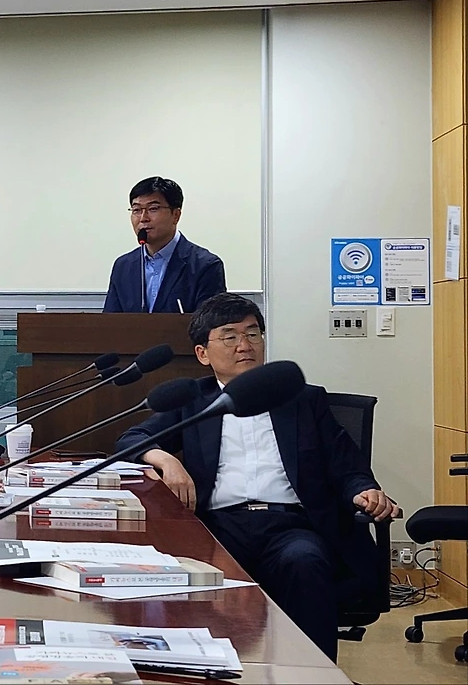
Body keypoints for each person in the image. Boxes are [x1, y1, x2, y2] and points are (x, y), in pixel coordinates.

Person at [115, 293, 396, 661]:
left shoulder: (303, 400)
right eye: (229, 336)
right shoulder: (194, 401)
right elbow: (130, 440)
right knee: (190, 572)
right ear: (203, 353)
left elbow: (346, 466)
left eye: (252, 334)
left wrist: (365, 490)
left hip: (289, 525)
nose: (244, 345)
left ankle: (312, 672)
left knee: (306, 561)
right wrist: (166, 459)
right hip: (218, 527)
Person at [102, 177, 226, 313]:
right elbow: (110, 321)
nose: (143, 218)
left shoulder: (205, 265)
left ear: (176, 215)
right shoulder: (123, 266)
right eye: (136, 210)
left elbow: (210, 323)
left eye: (153, 209)